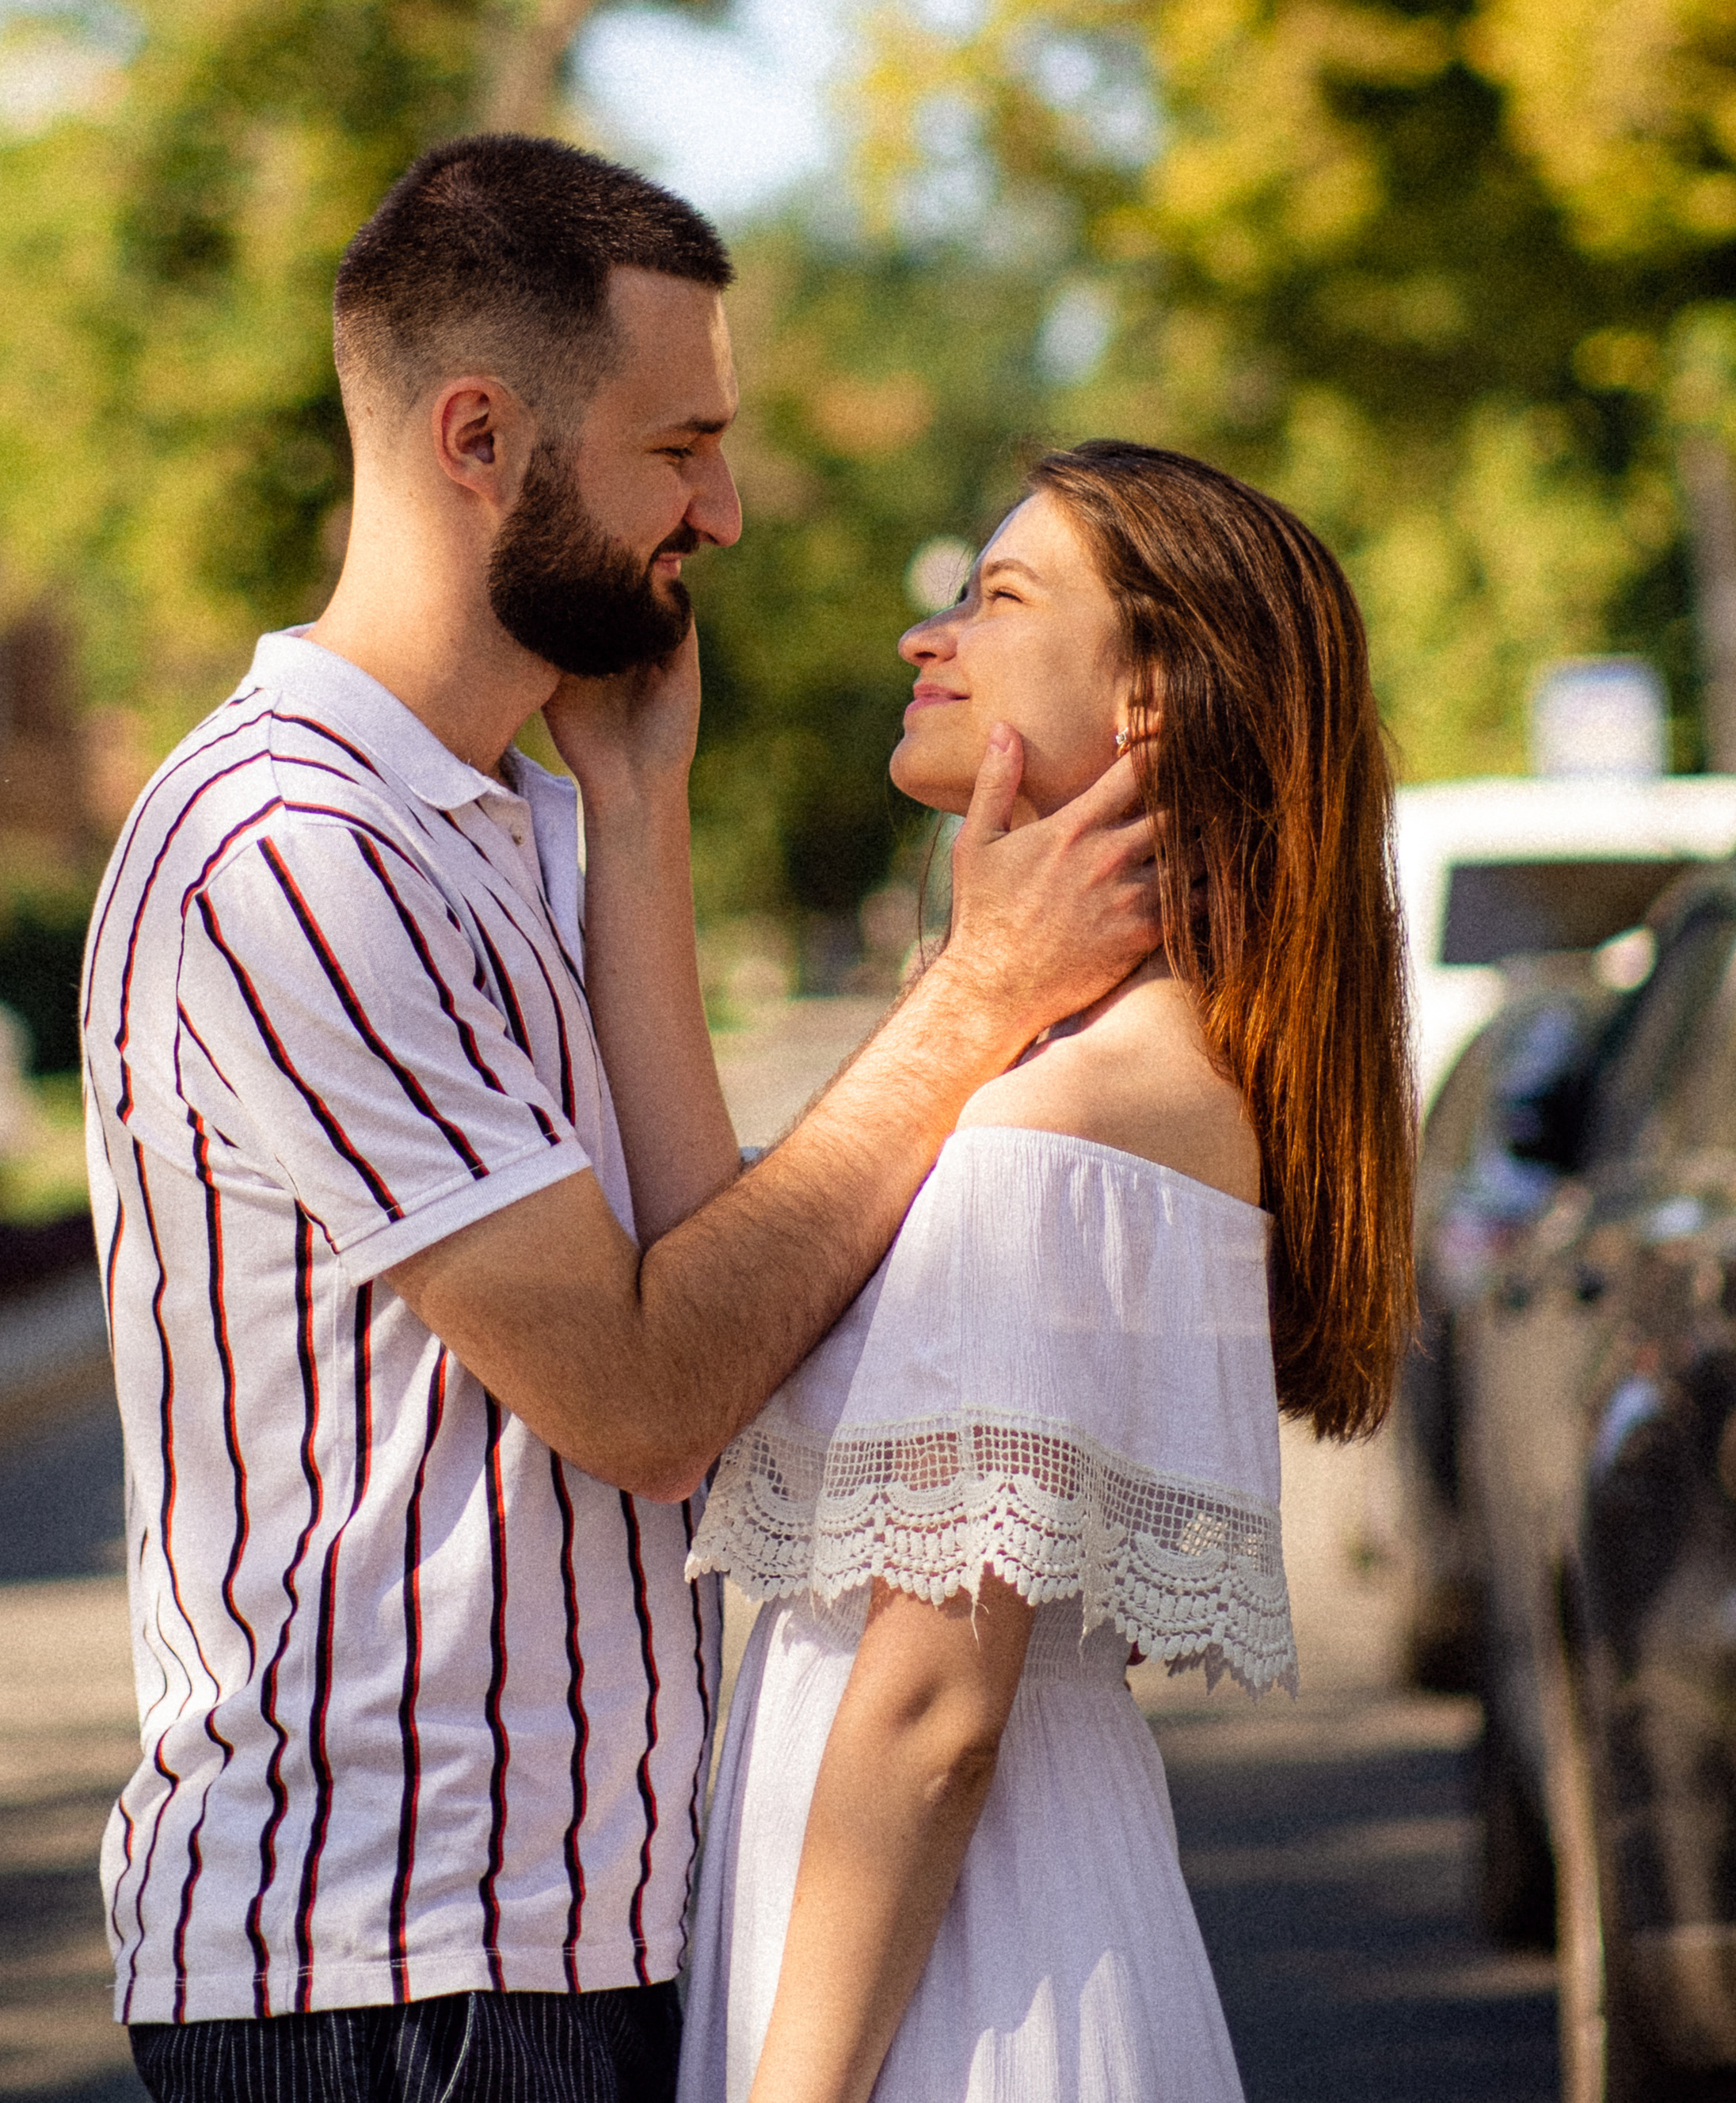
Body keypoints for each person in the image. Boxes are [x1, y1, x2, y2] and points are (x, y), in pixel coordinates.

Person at [85, 136, 1163, 2103]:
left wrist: (641, 805)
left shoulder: (521, 823)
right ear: (479, 437)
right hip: (397, 1976)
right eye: (681, 449)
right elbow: (648, 1393)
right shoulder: (289, 858)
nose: (727, 515)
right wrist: (978, 994)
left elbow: (718, 1290)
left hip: (584, 1943)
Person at [680, 440, 1418, 2103]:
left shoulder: (1062, 1122)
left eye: (994, 598)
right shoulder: (1095, 1072)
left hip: (948, 1989)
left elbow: (934, 1709)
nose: (921, 638)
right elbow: (706, 1276)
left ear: (1150, 697)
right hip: (974, 1929)